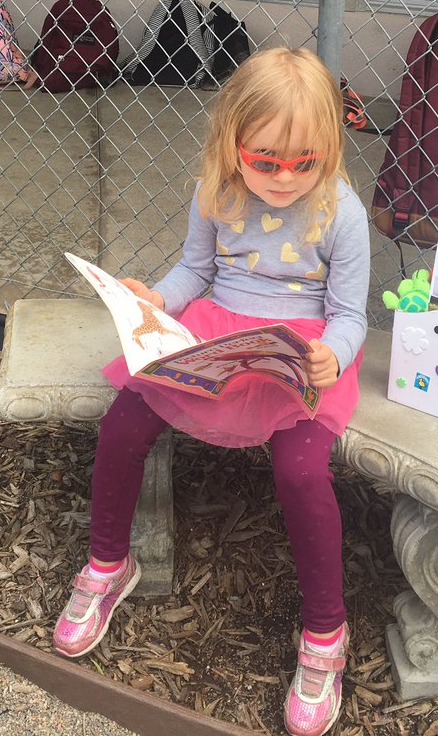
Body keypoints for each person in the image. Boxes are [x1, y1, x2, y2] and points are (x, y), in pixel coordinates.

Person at [52, 46, 370, 736]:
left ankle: (325, 634)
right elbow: (194, 271)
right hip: (217, 332)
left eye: (304, 162)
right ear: (231, 140)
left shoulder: (342, 212)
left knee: (302, 469)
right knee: (125, 423)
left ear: (330, 149)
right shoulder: (215, 191)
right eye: (265, 160)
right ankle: (108, 561)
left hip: (298, 353)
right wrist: (153, 301)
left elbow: (351, 314)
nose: (284, 178)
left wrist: (331, 357)